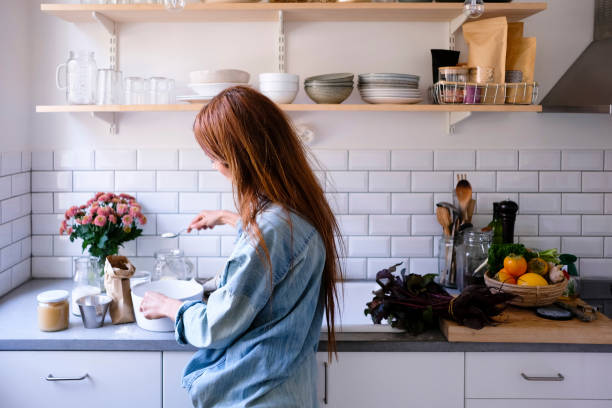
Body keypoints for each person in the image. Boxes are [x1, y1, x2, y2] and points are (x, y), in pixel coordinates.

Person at [139, 86, 343, 407]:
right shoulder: (296, 210)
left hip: (255, 396)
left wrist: (170, 307)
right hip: (287, 392)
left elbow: (215, 326)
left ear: (238, 158)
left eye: (214, 158)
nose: (214, 167)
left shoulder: (270, 230)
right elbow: (280, 252)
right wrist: (227, 218)